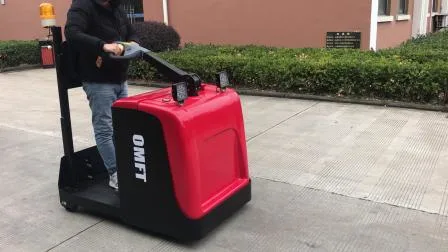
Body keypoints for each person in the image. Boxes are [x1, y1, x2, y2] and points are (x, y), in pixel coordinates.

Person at [65, 0, 140, 190]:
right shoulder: (82, 6)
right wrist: (102, 46)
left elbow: (132, 32)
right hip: (98, 80)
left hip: (120, 78)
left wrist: (133, 43)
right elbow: (72, 33)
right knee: (105, 129)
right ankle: (115, 174)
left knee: (123, 127)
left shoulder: (116, 9)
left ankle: (126, 168)